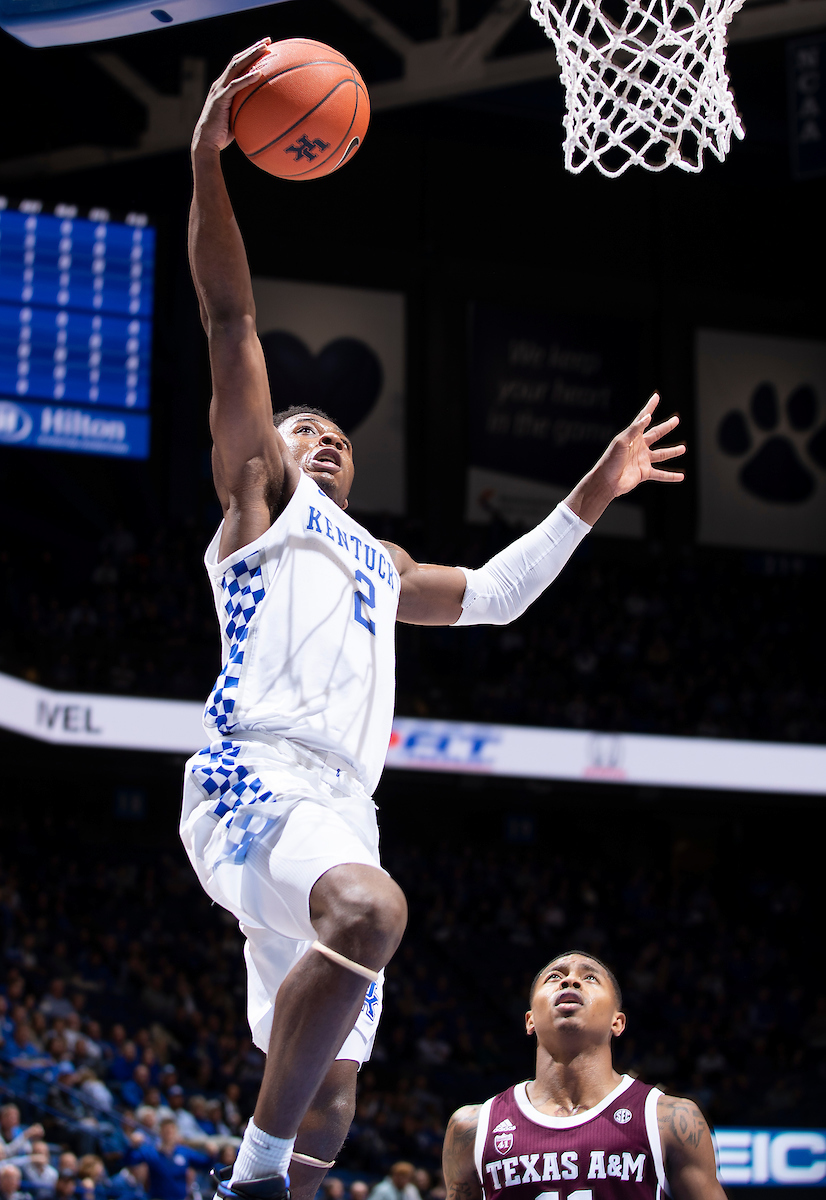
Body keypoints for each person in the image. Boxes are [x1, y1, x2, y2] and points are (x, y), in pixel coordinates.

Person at [183, 40, 687, 1200]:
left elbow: (497, 595)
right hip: (253, 775)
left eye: (336, 434)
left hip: (339, 807)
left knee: (334, 1098)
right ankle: (249, 1180)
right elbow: (229, 317)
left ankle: (279, 1176)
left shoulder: (384, 562)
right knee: (371, 912)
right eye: (303, 429)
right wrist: (208, 158)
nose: (323, 438)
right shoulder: (260, 500)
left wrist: (593, 491)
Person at [443, 952, 723, 1200]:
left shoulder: (669, 1119)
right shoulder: (473, 1128)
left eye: (590, 978)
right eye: (554, 977)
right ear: (530, 1020)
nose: (570, 981)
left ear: (617, 1022)